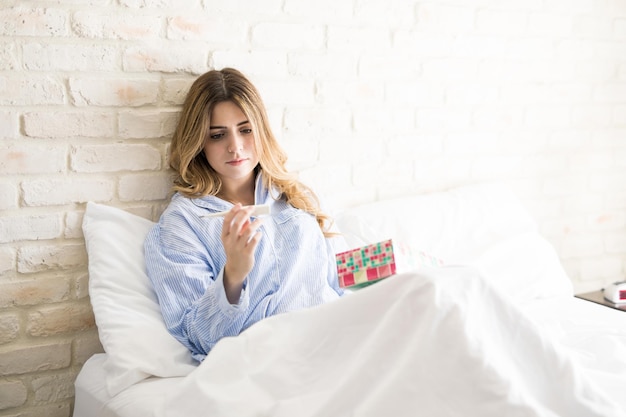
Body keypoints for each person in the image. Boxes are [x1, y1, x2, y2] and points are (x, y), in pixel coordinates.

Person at [144, 68, 346, 362]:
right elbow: (197, 336)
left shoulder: (295, 196)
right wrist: (233, 276)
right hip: (270, 359)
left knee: (426, 293)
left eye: (246, 129)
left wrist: (390, 273)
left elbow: (343, 277)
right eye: (217, 135)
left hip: (335, 339)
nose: (235, 146)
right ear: (199, 142)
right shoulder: (184, 223)